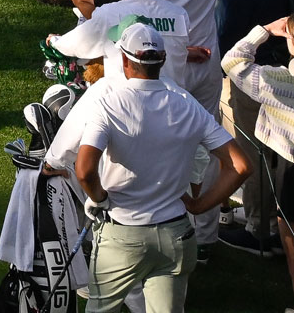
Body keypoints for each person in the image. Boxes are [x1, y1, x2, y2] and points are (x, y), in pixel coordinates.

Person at [68, 24, 252, 313]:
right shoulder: (187, 104)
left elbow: (84, 170)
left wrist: (99, 198)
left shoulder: (108, 104)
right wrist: (199, 205)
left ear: (126, 61)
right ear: (163, 61)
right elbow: (240, 166)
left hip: (122, 235)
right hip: (175, 236)